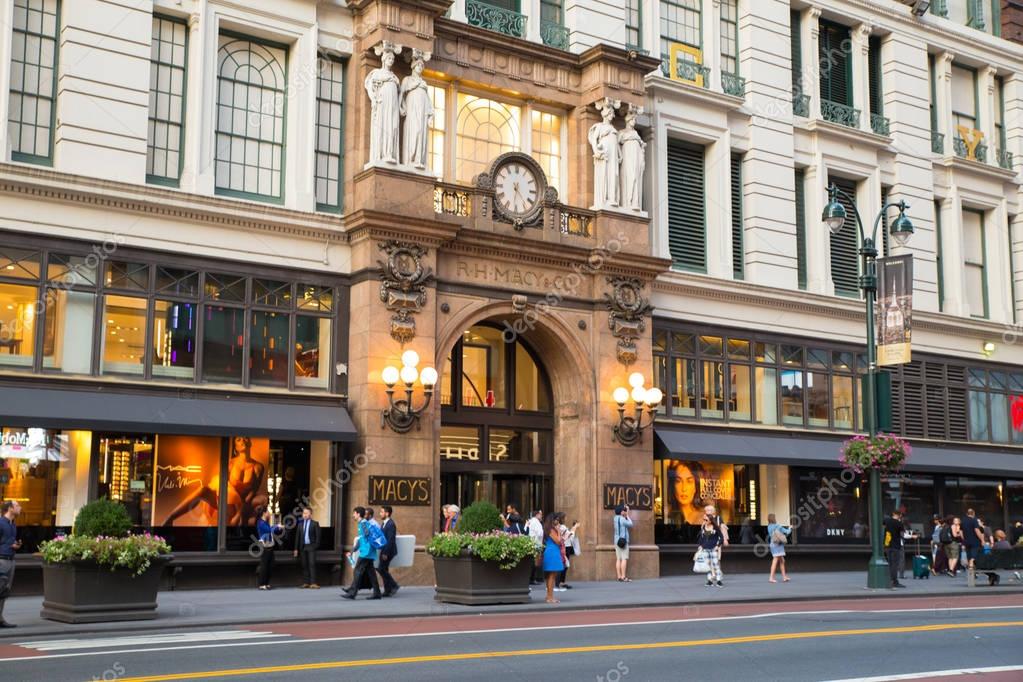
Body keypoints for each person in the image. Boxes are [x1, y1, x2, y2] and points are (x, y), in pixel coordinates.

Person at [162, 436, 266, 527]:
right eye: (239, 439)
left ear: (250, 442)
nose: (243, 440)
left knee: (259, 501)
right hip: (227, 499)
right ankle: (170, 518)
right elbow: (222, 484)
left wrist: (240, 511)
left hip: (243, 502)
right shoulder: (230, 463)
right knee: (202, 490)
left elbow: (253, 491)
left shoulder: (258, 467)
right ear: (236, 447)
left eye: (245, 438)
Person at [342, 506, 381, 600]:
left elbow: (366, 535)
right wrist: (353, 550)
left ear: (358, 514)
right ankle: (377, 593)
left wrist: (364, 544)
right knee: (371, 573)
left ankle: (352, 593)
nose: (353, 515)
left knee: (357, 570)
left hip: (366, 552)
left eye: (354, 513)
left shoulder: (363, 524)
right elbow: (361, 539)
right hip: (369, 552)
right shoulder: (362, 523)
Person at [0, 500, 22, 628]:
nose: (20, 507)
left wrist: (15, 545)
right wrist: (9, 545)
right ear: (10, 508)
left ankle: (0, 619)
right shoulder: (1, 523)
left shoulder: (13, 524)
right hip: (1, 560)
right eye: (17, 505)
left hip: (10, 560)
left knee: (4, 592)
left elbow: (8, 542)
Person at [668, 461, 706, 525]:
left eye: (689, 481)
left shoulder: (704, 518)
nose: (684, 488)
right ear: (673, 486)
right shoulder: (667, 515)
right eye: (678, 481)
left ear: (695, 487)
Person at [293, 506, 320, 589]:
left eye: (306, 513)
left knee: (312, 564)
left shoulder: (315, 524)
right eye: (303, 513)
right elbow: (297, 537)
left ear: (310, 514)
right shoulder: (300, 525)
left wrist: (315, 546)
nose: (304, 515)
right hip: (302, 547)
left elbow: (318, 537)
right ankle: (306, 582)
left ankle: (313, 583)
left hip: (311, 546)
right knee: (304, 565)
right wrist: (296, 549)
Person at [541, 513, 566, 604]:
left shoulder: (549, 529)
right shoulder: (551, 530)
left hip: (552, 551)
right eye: (556, 520)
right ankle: (550, 597)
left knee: (550, 576)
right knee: (552, 576)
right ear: (552, 520)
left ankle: (549, 596)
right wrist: (559, 531)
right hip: (552, 552)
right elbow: (558, 541)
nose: (558, 522)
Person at [255, 506, 281, 590]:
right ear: (264, 513)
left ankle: (266, 583)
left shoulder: (265, 522)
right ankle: (262, 584)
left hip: (269, 546)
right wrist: (277, 526)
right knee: (264, 565)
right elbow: (269, 530)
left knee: (270, 565)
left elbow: (272, 530)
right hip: (265, 546)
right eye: (268, 512)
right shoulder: (261, 522)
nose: (269, 513)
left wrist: (278, 528)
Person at [696, 512, 724, 587]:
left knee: (716, 565)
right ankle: (710, 580)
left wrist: (717, 546)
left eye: (706, 520)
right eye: (704, 520)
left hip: (713, 549)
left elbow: (721, 537)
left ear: (710, 520)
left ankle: (719, 580)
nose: (704, 521)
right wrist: (700, 545)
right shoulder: (703, 527)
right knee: (707, 566)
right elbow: (701, 538)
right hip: (705, 549)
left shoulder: (715, 528)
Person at [377, 505, 400, 597]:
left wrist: (386, 553)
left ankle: (394, 585)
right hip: (384, 550)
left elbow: (390, 540)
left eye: (382, 512)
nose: (380, 513)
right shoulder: (384, 523)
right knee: (384, 569)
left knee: (381, 569)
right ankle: (388, 590)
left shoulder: (390, 524)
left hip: (388, 551)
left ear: (387, 513)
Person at [883, 509, 907, 589]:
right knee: (895, 565)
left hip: (888, 545)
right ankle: (894, 581)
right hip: (896, 546)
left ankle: (890, 580)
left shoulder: (887, 521)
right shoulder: (899, 523)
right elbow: (902, 534)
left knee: (890, 563)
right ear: (899, 515)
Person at [556, 514, 579, 591]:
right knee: (564, 565)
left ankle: (562, 582)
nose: (566, 518)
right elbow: (570, 536)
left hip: (566, 546)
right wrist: (575, 528)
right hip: (565, 547)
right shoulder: (562, 527)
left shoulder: (562, 527)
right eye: (565, 517)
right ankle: (560, 582)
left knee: (565, 565)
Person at [766, 513, 791, 583]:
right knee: (775, 560)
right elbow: (787, 532)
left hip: (772, 544)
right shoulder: (778, 526)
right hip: (778, 545)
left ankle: (784, 577)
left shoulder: (769, 527)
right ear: (774, 518)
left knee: (782, 560)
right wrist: (790, 528)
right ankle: (771, 577)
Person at [613, 504, 633, 582]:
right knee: (624, 558)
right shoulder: (622, 519)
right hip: (623, 541)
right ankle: (623, 576)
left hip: (616, 541)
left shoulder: (615, 518)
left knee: (618, 559)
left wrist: (624, 515)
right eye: (623, 510)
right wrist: (627, 514)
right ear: (621, 511)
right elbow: (631, 524)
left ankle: (619, 577)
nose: (624, 511)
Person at [525, 509, 545, 585]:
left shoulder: (530, 521)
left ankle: (532, 579)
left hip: (531, 543)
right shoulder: (536, 522)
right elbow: (540, 533)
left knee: (533, 562)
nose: (541, 515)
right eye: (541, 514)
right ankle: (533, 579)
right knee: (535, 562)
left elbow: (525, 530)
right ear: (537, 514)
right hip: (536, 544)